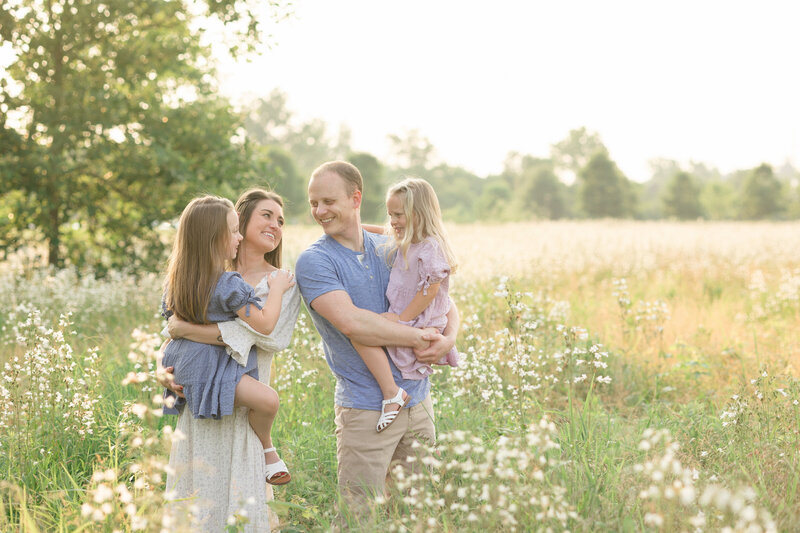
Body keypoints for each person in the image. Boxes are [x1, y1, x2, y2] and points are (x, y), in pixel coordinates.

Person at [294, 161, 459, 517]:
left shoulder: (392, 244)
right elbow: (355, 325)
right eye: (313, 203)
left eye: (328, 201)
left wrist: (448, 339)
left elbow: (443, 296)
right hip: (367, 411)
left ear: (356, 198)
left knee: (419, 514)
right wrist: (419, 336)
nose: (319, 212)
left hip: (419, 403)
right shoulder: (315, 261)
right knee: (359, 517)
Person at [157, 189, 301, 532]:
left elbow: (266, 335)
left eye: (281, 220)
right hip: (202, 407)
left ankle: (267, 451)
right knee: (198, 500)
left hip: (241, 412)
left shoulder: (282, 283)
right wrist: (160, 366)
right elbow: (168, 334)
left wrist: (185, 329)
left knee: (243, 507)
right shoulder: (208, 277)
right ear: (240, 221)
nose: (275, 225)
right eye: (266, 215)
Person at [354, 177, 459, 433]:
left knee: (361, 333)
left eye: (398, 214)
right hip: (408, 315)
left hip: (416, 318)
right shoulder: (408, 240)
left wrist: (400, 318)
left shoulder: (430, 247)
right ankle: (393, 393)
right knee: (361, 332)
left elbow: (431, 290)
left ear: (419, 214)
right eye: (390, 214)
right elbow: (381, 231)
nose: (393, 221)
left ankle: (392, 394)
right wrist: (352, 227)